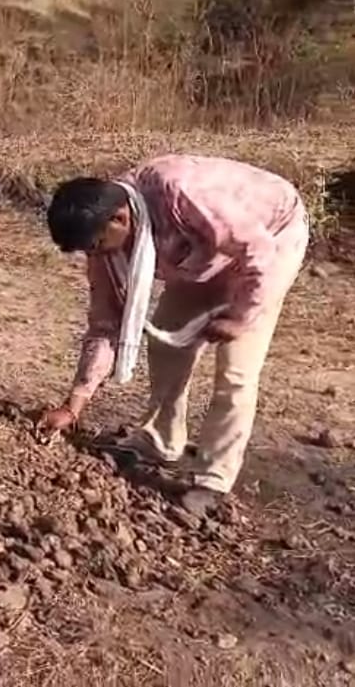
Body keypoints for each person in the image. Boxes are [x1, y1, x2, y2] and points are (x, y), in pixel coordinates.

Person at [37, 154, 310, 515]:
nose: (95, 255)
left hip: (270, 240)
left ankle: (214, 477)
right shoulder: (104, 234)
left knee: (236, 370)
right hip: (202, 258)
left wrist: (240, 317)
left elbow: (257, 249)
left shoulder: (181, 195)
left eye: (96, 246)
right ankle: (161, 441)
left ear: (120, 218)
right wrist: (74, 405)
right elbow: (105, 324)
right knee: (165, 343)